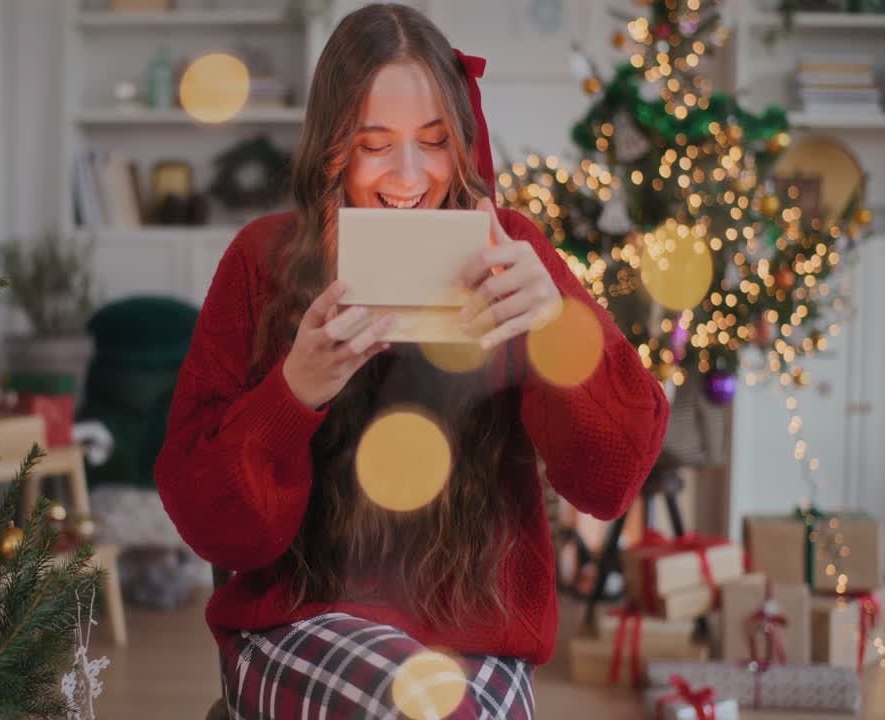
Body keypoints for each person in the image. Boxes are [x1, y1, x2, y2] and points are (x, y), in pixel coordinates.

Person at [155, 4, 669, 718]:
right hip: (300, 625)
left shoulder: (509, 251)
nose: (408, 176)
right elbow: (211, 525)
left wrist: (553, 325)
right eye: (374, 144)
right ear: (330, 145)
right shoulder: (262, 260)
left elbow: (611, 479)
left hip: (476, 640)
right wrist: (293, 392)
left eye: (433, 142)